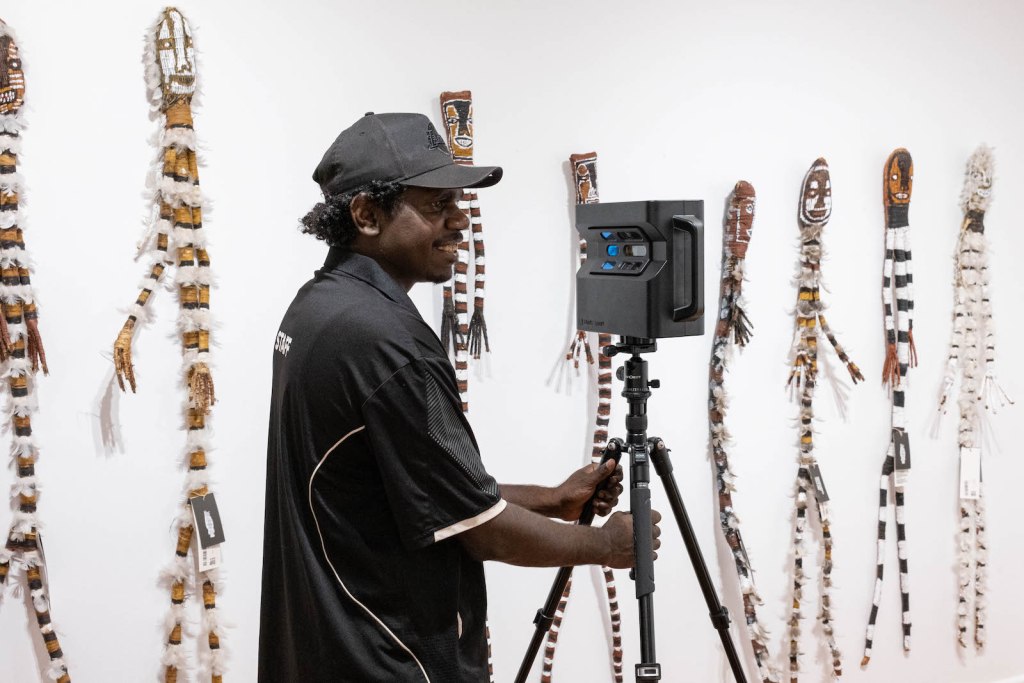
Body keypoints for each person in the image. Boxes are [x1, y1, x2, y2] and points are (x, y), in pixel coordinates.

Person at [259, 112, 660, 682]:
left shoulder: (319, 308)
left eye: (460, 202)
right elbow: (479, 529)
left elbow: (416, 489)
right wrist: (609, 546)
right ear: (366, 215)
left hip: (329, 645)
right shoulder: (390, 344)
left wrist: (551, 499)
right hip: (392, 656)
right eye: (436, 205)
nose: (460, 221)